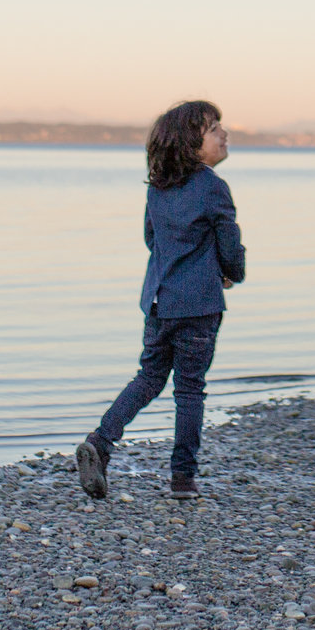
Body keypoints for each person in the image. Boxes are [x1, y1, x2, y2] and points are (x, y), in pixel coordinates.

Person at [76, 100, 247, 503]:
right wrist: (231, 274)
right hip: (199, 305)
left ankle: (100, 442)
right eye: (214, 129)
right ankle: (183, 479)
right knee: (189, 390)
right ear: (191, 143)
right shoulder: (213, 187)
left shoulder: (158, 187)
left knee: (149, 377)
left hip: (158, 300)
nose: (224, 134)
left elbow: (153, 240)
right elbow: (230, 245)